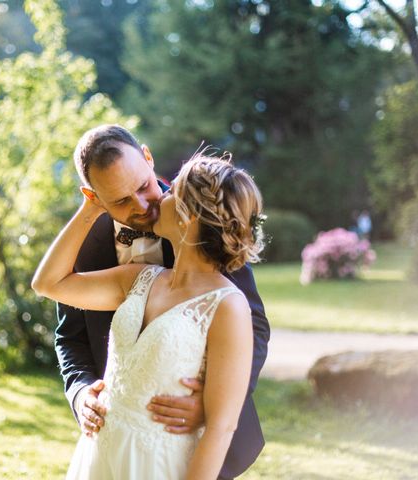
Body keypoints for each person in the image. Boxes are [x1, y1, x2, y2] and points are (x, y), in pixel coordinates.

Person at [36, 125, 270, 479]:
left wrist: (213, 403)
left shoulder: (210, 219)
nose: (145, 204)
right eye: (120, 200)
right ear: (95, 195)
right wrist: (82, 393)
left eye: (145, 186)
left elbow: (252, 327)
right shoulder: (102, 257)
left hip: (181, 447)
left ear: (148, 159)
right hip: (108, 447)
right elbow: (66, 327)